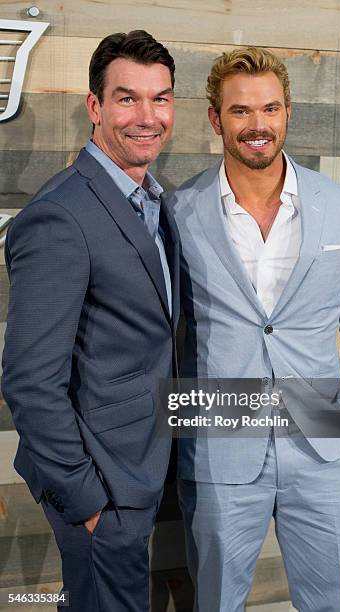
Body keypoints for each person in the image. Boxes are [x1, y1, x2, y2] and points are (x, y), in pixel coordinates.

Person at [166, 47, 340, 611]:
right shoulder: (177, 211)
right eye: (241, 111)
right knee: (215, 603)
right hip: (218, 443)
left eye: (269, 109)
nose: (257, 125)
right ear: (216, 119)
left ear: (287, 112)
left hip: (322, 441)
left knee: (326, 604)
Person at [2, 30, 179, 612]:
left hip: (148, 467)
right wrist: (88, 503)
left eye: (161, 98)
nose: (147, 116)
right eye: (128, 98)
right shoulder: (59, 216)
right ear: (95, 107)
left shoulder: (156, 198)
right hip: (104, 487)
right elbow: (30, 380)